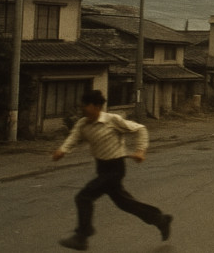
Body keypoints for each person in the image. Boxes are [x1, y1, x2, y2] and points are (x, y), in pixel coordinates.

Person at [52, 90, 172, 251]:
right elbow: (73, 138)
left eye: (86, 106)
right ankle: (160, 219)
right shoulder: (83, 123)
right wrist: (63, 150)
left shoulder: (113, 120)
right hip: (102, 168)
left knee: (84, 197)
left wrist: (140, 150)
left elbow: (140, 129)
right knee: (125, 203)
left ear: (97, 106)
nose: (83, 109)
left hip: (115, 168)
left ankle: (82, 236)